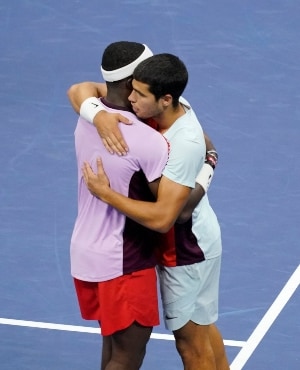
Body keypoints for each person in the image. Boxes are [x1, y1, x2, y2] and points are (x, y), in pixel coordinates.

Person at [79, 53, 229, 369]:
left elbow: (167, 218)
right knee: (201, 327)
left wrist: (106, 193)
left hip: (186, 251)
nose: (130, 99)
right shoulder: (168, 106)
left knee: (191, 346)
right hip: (196, 241)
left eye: (139, 94)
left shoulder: (183, 141)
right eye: (131, 89)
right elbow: (79, 90)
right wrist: (98, 115)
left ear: (164, 99)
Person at [70, 41, 170, 370]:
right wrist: (208, 163)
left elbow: (79, 90)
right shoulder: (145, 139)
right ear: (133, 84)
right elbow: (168, 212)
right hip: (124, 262)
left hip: (86, 251)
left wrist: (97, 115)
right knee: (127, 357)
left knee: (112, 348)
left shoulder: (88, 116)